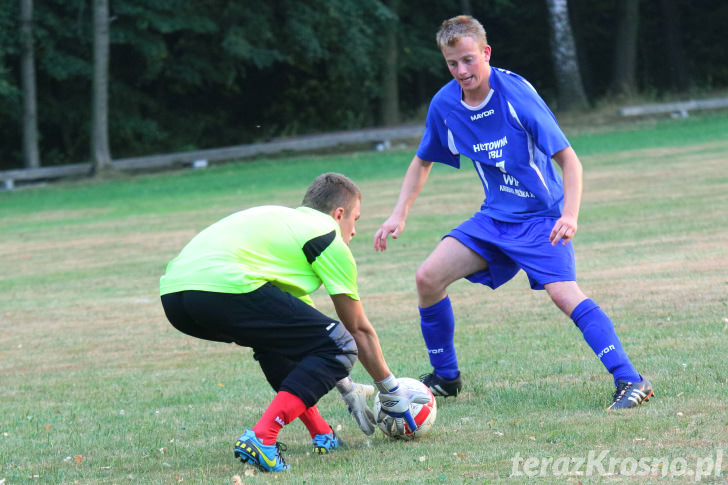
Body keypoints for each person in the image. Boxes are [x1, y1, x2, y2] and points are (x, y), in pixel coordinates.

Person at [374, 15, 653, 411]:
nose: (462, 71)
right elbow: (422, 161)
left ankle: (631, 379)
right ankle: (446, 378)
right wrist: (397, 214)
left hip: (542, 218)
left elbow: (570, 161)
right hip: (494, 219)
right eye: (453, 63)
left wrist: (569, 215)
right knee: (428, 278)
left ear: (486, 52)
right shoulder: (446, 104)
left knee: (564, 294)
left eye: (469, 60)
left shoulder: (516, 96)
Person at [160, 172, 429, 472]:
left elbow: (301, 337)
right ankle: (262, 436)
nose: (353, 231)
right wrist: (390, 390)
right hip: (223, 285)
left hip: (175, 296)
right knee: (342, 345)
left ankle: (322, 433)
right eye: (356, 219)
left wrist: (346, 386)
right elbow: (357, 330)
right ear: (339, 214)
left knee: (276, 344)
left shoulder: (285, 225)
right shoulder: (327, 237)